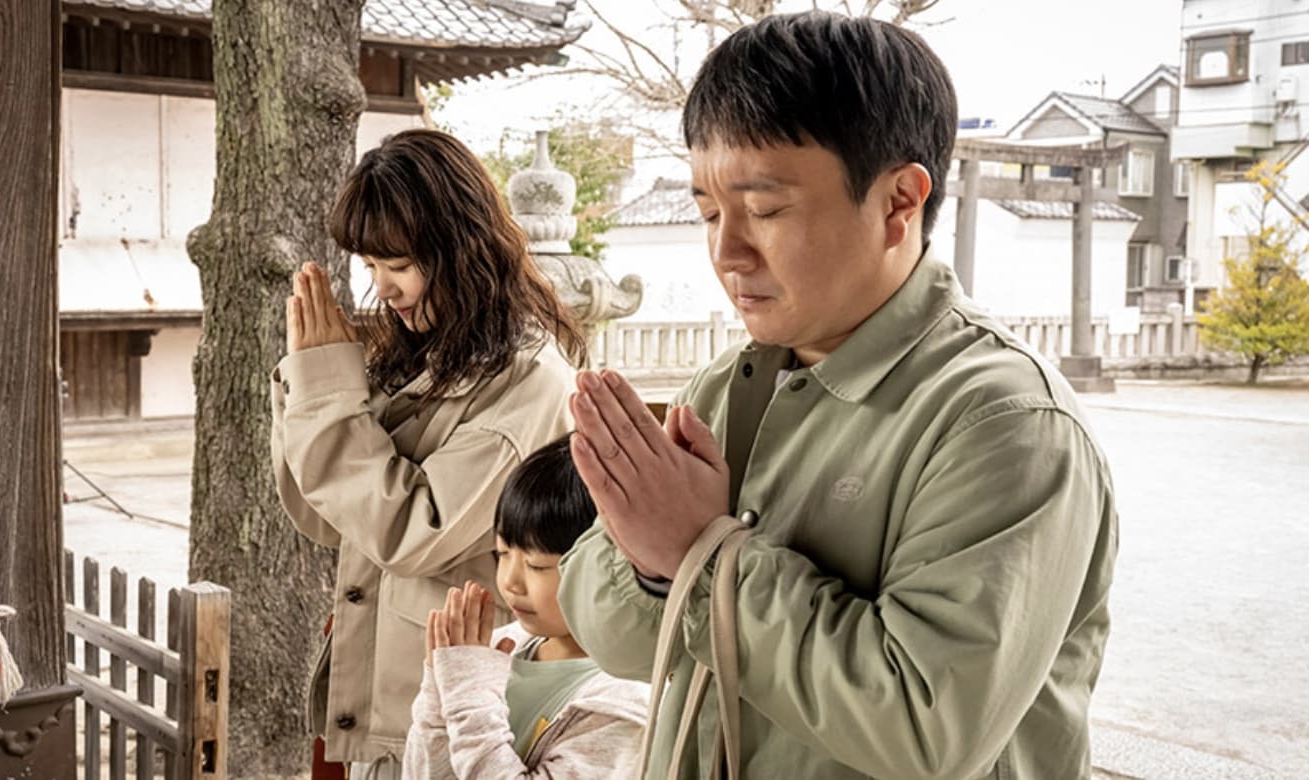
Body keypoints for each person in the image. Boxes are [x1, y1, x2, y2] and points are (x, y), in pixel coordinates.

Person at [556, 12, 1119, 780]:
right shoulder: (724, 387)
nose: (727, 252)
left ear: (898, 203)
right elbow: (614, 642)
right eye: (709, 212)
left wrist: (697, 554)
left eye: (765, 210)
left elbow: (924, 728)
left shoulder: (1004, 424)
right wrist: (654, 566)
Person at [272, 128, 586, 780]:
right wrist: (313, 384)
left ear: (459, 247)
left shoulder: (527, 381)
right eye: (370, 268)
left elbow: (410, 532)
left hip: (457, 713)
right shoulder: (426, 354)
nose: (383, 289)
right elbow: (329, 519)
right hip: (387, 699)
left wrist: (328, 395)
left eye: (398, 264)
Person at [404, 437, 647, 778]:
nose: (510, 582)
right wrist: (440, 689)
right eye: (503, 553)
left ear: (614, 562)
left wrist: (469, 697)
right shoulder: (500, 648)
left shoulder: (621, 703)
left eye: (536, 565)